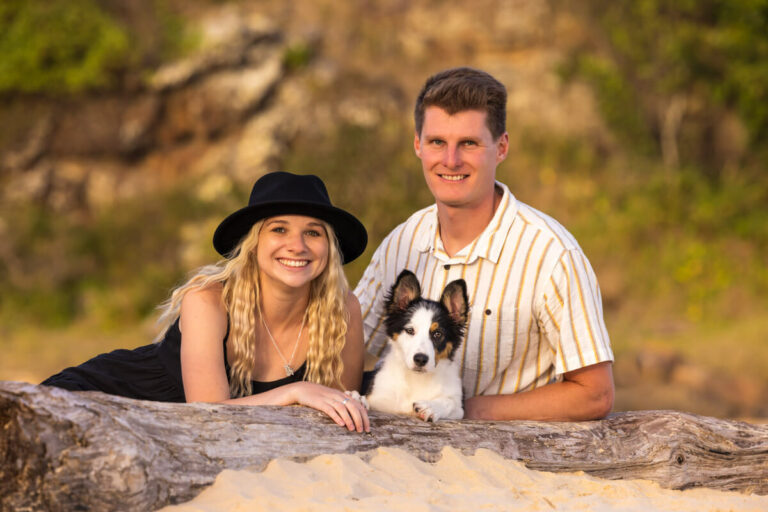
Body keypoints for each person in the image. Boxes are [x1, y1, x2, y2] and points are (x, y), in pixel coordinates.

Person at [355, 67, 615, 421]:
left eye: (469, 143)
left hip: (506, 464)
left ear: (502, 147)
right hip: (402, 462)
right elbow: (344, 347)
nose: (450, 161)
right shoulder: (401, 241)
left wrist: (457, 407)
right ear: (418, 145)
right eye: (437, 142)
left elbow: (595, 395)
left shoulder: (552, 255)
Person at [43, 171, 371, 432]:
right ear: (254, 244)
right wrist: (294, 392)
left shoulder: (342, 310)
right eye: (279, 230)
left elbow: (339, 412)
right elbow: (207, 412)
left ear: (329, 248)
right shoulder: (208, 301)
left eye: (313, 233)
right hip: (98, 398)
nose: (297, 245)